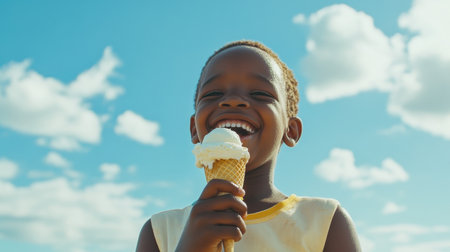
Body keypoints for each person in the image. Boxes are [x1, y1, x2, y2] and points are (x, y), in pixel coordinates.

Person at [136, 40, 361, 252]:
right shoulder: (159, 230)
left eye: (260, 93)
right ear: (194, 129)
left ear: (290, 131)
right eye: (214, 93)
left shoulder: (325, 220)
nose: (233, 100)